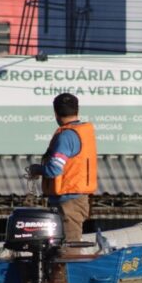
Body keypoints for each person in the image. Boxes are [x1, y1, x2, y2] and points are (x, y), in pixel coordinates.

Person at [28, 93, 97, 244]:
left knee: (69, 248)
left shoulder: (66, 136)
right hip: (75, 199)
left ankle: (66, 267)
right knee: (65, 246)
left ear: (55, 113)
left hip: (68, 203)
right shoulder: (81, 132)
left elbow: (54, 169)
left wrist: (36, 170)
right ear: (77, 110)